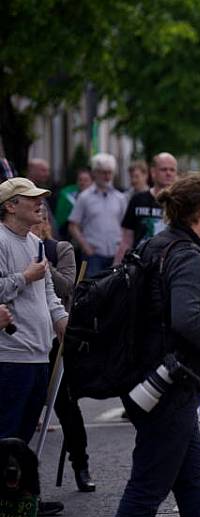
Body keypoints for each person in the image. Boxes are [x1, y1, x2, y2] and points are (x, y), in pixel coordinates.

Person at [104, 172, 200, 517]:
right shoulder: (186, 255)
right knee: (148, 486)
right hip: (170, 382)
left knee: (193, 477)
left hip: (151, 375)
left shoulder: (158, 245)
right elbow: (187, 318)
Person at [0, 177, 69, 517]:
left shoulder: (36, 243)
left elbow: (49, 295)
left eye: (41, 198)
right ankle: (7, 500)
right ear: (10, 206)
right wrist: (24, 277)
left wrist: (62, 321)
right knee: (7, 435)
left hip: (40, 352)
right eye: (31, 199)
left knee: (24, 434)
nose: (40, 204)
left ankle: (21, 497)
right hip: (10, 353)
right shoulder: (0, 240)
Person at [32, 203, 94, 493]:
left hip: (57, 338)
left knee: (67, 406)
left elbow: (67, 287)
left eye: (42, 216)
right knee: (27, 410)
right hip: (26, 337)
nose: (38, 220)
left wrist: (45, 265)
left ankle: (80, 465)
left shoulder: (59, 249)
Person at [68, 153, 127, 276]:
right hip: (93, 255)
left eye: (110, 172)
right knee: (93, 292)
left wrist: (122, 248)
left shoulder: (120, 198)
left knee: (115, 292)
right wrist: (85, 246)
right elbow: (73, 225)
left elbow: (126, 227)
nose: (107, 176)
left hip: (116, 254)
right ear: (94, 173)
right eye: (103, 172)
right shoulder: (84, 197)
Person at [115, 152, 178, 262]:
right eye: (164, 169)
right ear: (153, 172)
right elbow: (126, 240)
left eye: (172, 170)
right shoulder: (137, 200)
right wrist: (117, 267)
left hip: (170, 265)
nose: (168, 173)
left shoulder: (181, 203)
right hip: (140, 265)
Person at [54, 168, 92, 235]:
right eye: (80, 180)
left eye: (86, 180)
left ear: (91, 182)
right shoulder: (68, 197)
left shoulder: (96, 199)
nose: (82, 183)